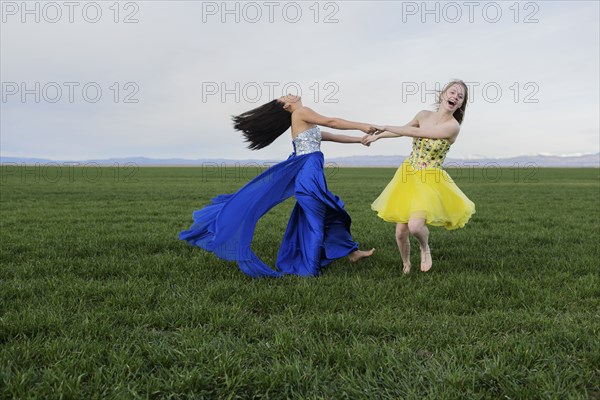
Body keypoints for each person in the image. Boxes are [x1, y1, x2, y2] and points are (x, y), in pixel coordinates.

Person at [180, 94, 375, 277]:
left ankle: (352, 253)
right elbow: (332, 121)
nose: (289, 94)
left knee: (331, 211)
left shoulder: (305, 123)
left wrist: (359, 139)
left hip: (311, 177)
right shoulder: (301, 112)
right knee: (318, 220)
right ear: (287, 106)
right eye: (285, 97)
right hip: (309, 179)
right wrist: (361, 126)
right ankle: (310, 271)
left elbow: (329, 134)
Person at [362, 80, 475, 274]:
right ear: (443, 94)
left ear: (460, 104)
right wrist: (379, 135)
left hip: (430, 180)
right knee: (400, 232)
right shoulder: (423, 115)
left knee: (415, 226)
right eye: (453, 92)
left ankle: (425, 247)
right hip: (408, 175)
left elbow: (417, 132)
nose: (455, 97)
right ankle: (406, 264)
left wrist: (387, 125)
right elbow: (405, 129)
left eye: (460, 97)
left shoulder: (452, 127)